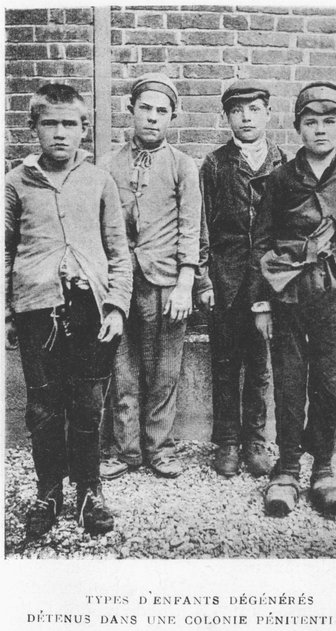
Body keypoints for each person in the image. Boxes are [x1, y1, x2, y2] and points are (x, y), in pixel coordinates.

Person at [249, 81, 336, 517]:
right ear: (297, 128)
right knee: (289, 385)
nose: (320, 130)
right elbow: (262, 242)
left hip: (333, 303)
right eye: (311, 122)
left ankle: (323, 469)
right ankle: (287, 470)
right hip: (288, 301)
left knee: (328, 386)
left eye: (329, 121)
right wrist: (262, 303)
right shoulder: (281, 179)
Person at [5, 83, 132, 537]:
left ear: (83, 129)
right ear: (33, 127)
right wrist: (7, 313)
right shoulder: (16, 182)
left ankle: (89, 492)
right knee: (42, 407)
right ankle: (48, 492)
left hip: (90, 310)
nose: (60, 133)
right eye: (49, 123)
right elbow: (5, 253)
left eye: (69, 124)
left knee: (87, 405)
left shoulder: (99, 180)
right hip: (37, 310)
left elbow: (119, 252)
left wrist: (117, 306)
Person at [99, 72, 201, 480]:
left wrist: (185, 282)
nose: (153, 118)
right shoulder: (107, 165)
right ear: (131, 111)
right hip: (122, 283)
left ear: (172, 117)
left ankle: (160, 447)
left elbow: (192, 227)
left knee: (164, 370)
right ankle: (125, 451)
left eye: (162, 111)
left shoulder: (183, 166)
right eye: (146, 108)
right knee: (123, 369)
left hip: (166, 283)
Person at [195, 79, 286, 477]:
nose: (245, 117)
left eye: (253, 109)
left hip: (267, 283)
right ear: (227, 116)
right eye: (237, 110)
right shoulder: (215, 164)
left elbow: (289, 229)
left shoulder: (284, 163)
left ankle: (255, 440)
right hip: (225, 280)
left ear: (267, 113)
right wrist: (204, 280)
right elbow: (201, 227)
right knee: (225, 362)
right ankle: (228, 442)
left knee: (260, 364)